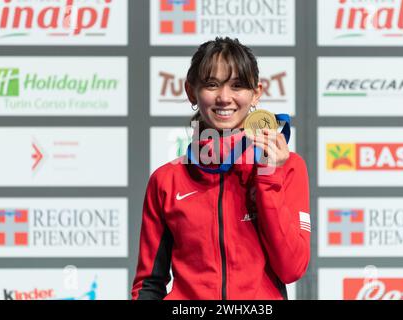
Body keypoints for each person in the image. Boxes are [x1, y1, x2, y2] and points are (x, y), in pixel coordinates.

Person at [132, 37, 310, 300]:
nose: (224, 98)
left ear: (256, 93)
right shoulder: (166, 180)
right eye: (212, 85)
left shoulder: (288, 167)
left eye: (237, 86)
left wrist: (267, 178)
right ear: (191, 92)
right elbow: (149, 284)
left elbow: (292, 268)